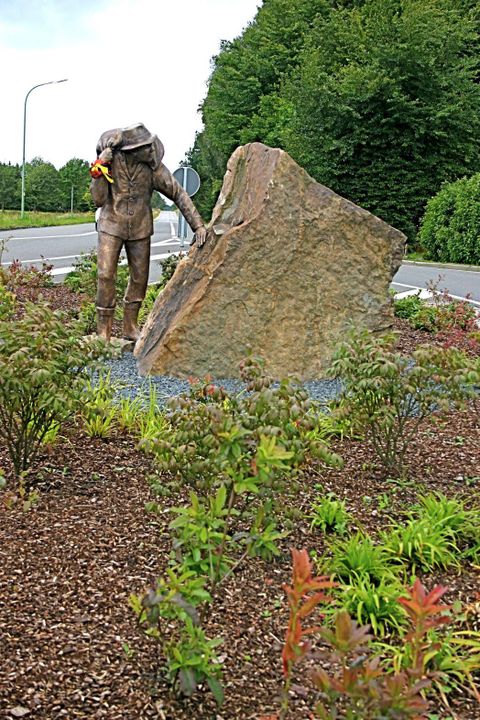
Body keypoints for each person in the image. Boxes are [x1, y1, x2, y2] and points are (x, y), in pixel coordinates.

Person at [90, 123, 207, 342]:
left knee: (140, 278)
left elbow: (178, 193)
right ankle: (103, 330)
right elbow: (98, 199)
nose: (151, 150)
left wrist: (198, 225)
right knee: (105, 275)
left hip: (141, 227)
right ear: (131, 150)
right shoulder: (110, 163)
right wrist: (100, 167)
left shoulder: (154, 169)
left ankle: (130, 326)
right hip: (111, 225)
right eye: (145, 147)